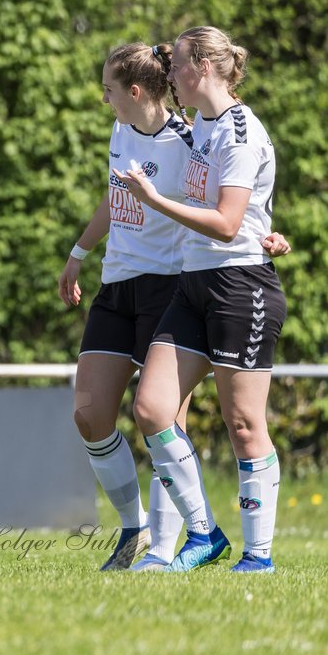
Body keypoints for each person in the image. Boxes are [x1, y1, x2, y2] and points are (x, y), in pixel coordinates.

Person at [59, 43, 290, 571]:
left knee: (240, 421)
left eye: (109, 89)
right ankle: (181, 535)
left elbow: (230, 214)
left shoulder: (204, 133)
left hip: (203, 283)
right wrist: (79, 252)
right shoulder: (196, 127)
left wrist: (260, 237)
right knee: (134, 412)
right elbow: (219, 202)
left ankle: (195, 549)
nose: (103, 99)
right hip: (166, 283)